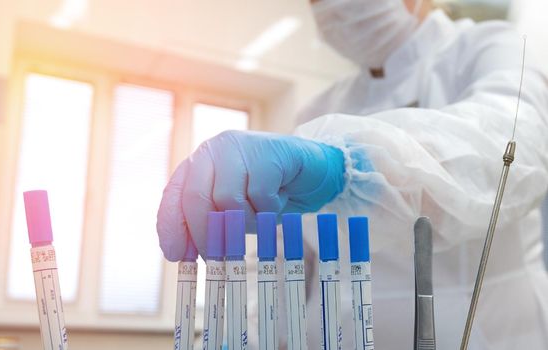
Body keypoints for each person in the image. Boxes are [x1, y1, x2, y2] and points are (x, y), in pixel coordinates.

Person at [157, 0, 548, 348]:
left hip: (483, 335)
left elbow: (510, 151)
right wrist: (253, 336)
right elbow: (284, 268)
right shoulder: (320, 111)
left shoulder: (491, 48)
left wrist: (347, 166)